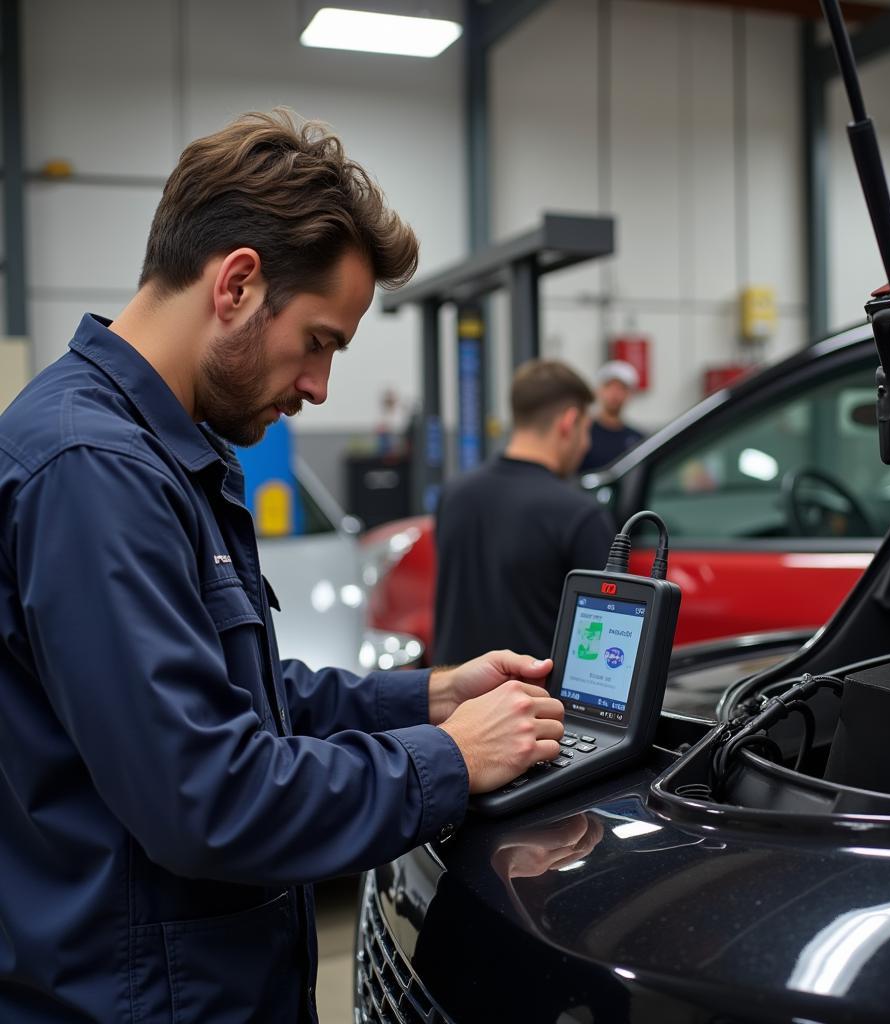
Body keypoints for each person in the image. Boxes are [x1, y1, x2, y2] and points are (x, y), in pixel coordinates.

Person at [0, 110, 565, 1023]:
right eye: (319, 341)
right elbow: (206, 795)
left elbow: (234, 695)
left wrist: (427, 697)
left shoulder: (167, 454)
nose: (319, 388)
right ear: (236, 284)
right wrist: (447, 761)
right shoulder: (94, 472)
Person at [433, 359, 616, 665]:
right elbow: (602, 639)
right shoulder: (579, 516)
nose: (586, 445)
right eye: (587, 430)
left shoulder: (453, 495)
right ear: (568, 423)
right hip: (533, 707)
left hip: (456, 703)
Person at [578, 358, 645, 472]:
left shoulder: (637, 439)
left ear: (630, 394)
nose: (615, 394)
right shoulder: (582, 432)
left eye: (622, 388)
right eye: (609, 386)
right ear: (598, 390)